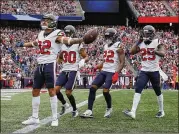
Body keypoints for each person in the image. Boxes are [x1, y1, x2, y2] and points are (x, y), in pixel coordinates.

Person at [16, 14, 86, 126]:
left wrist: (81, 39)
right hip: (40, 64)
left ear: (52, 22)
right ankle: (35, 117)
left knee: (52, 91)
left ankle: (54, 118)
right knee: (35, 90)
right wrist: (22, 44)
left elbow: (66, 40)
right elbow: (35, 43)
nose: (44, 22)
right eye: (43, 20)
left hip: (50, 64)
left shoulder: (57, 33)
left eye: (47, 20)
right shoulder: (40, 34)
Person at [80, 28, 125, 118]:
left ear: (114, 37)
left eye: (109, 36)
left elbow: (122, 62)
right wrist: (98, 66)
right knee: (92, 88)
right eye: (106, 36)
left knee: (105, 91)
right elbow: (105, 60)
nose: (107, 38)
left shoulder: (118, 45)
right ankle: (89, 111)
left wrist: (117, 73)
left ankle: (109, 108)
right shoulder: (105, 46)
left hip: (112, 72)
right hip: (104, 71)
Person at [123, 25, 165, 119]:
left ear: (152, 34)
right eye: (144, 33)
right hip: (144, 70)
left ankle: (161, 111)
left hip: (154, 70)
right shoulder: (141, 43)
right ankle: (133, 112)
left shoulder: (157, 42)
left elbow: (163, 53)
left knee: (157, 91)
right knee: (138, 88)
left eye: (147, 33)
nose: (145, 35)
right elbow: (131, 51)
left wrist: (155, 52)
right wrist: (138, 41)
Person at [55, 25, 89, 117]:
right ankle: (64, 104)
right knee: (56, 90)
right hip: (64, 69)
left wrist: (82, 61)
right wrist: (58, 61)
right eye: (66, 33)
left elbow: (86, 56)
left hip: (73, 70)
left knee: (68, 92)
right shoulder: (62, 44)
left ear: (73, 34)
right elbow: (61, 57)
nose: (67, 35)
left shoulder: (77, 44)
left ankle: (74, 109)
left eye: (69, 33)